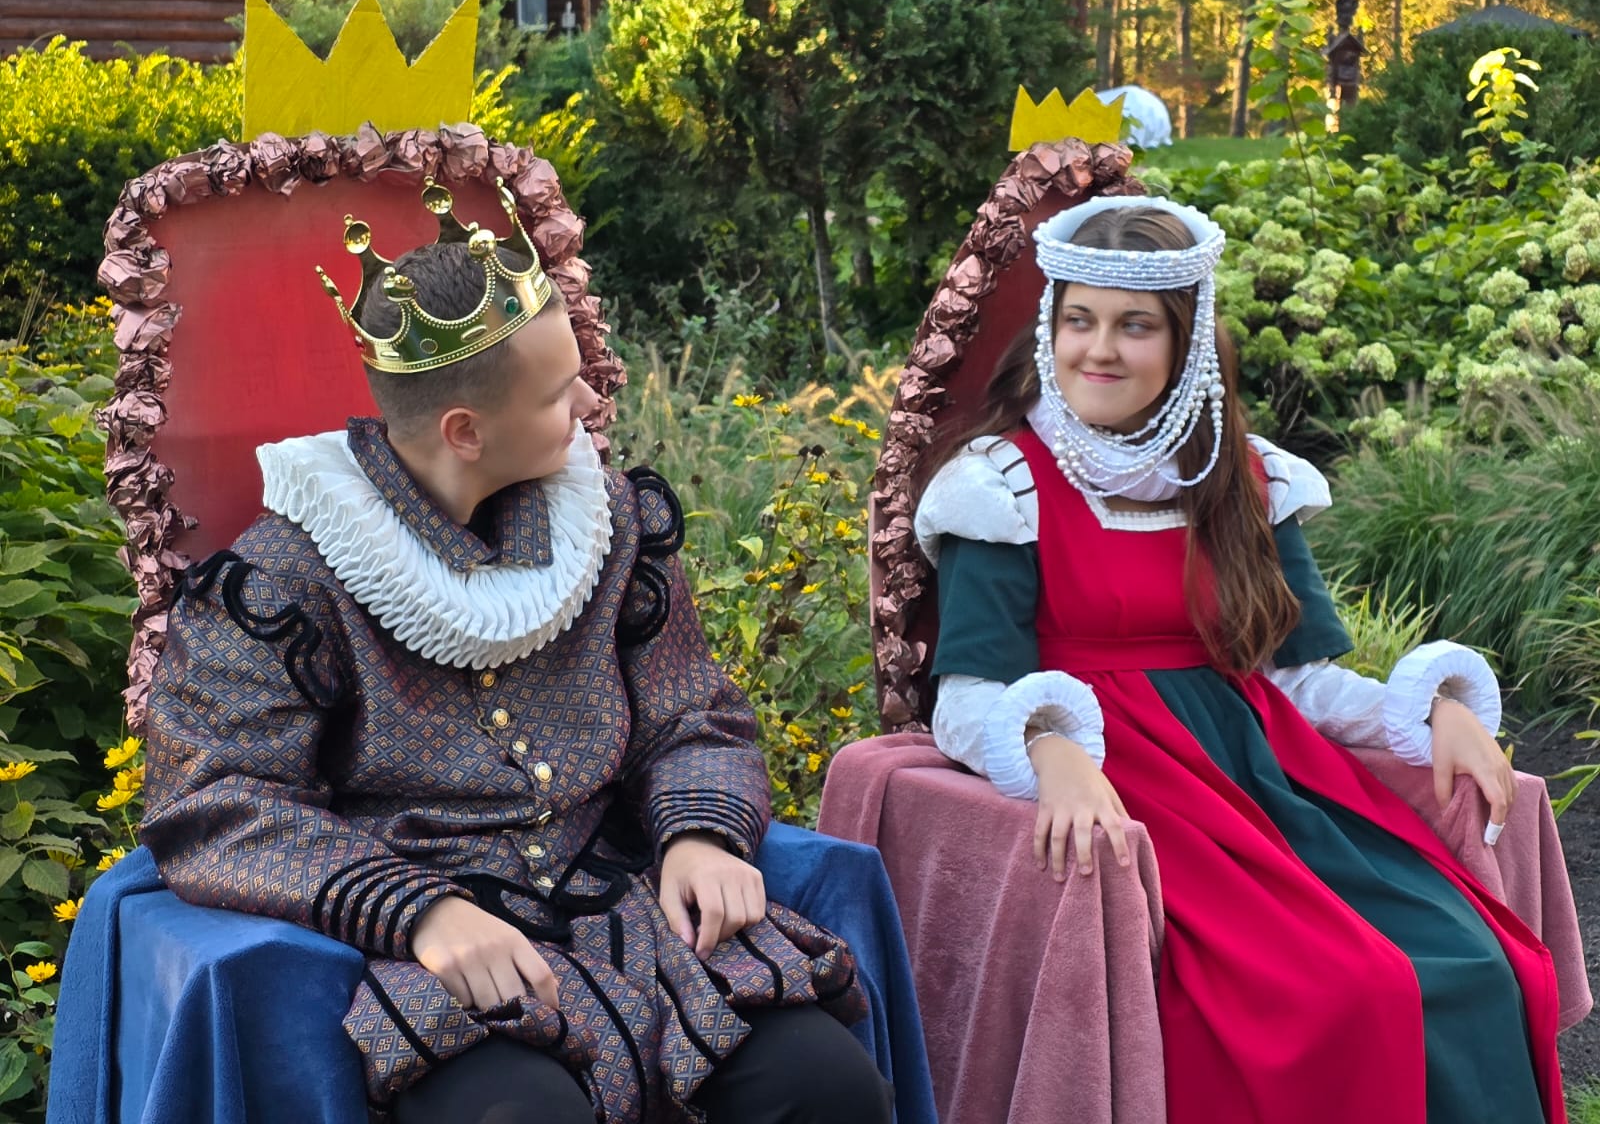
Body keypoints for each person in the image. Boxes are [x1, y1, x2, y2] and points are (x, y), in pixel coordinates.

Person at [138, 182, 892, 1124]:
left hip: (631, 910)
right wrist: (416, 911)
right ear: (465, 431)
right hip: (431, 948)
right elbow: (216, 799)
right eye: (557, 390)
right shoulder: (288, 577)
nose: (590, 400)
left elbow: (690, 713)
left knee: (828, 1091)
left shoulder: (610, 523)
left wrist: (701, 830)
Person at [912, 195, 1563, 1124]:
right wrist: (1049, 748)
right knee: (1338, 993)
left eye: (1136, 326)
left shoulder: (1244, 479)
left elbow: (1299, 676)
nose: (1100, 349)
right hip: (1130, 794)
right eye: (1079, 320)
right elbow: (967, 695)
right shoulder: (1003, 485)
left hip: (1262, 782)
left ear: (1187, 344)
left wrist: (1435, 712)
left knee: (1472, 963)